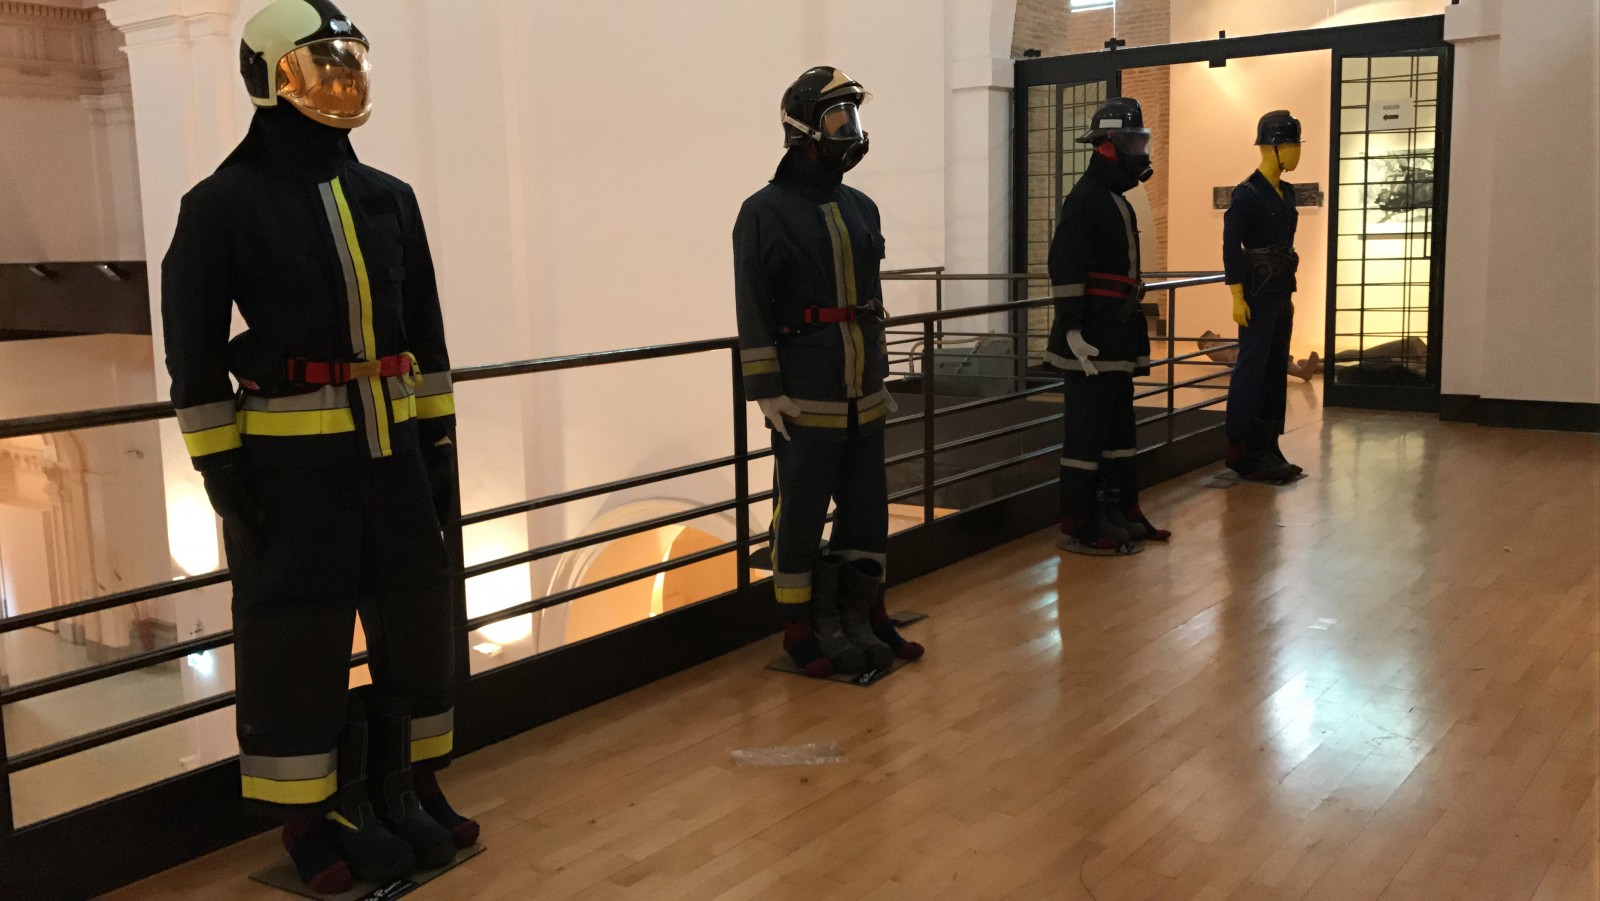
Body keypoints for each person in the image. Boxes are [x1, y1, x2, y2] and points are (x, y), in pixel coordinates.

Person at [163, 0, 474, 890]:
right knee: (296, 643)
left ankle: (406, 788)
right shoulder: (218, 205)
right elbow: (191, 353)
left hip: (396, 459)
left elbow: (428, 334)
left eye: (350, 60)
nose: (340, 79)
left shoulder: (391, 199)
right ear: (270, 74)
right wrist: (221, 470)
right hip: (289, 474)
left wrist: (441, 444)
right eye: (318, 62)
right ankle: (312, 817)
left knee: (418, 622)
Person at [733, 67, 924, 677]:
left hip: (863, 394)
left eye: (855, 118)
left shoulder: (861, 207)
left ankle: (864, 617)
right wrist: (766, 392)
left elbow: (869, 302)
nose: (852, 132)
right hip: (806, 397)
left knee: (868, 511)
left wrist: (880, 376)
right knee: (801, 515)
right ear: (804, 131)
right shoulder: (762, 212)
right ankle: (801, 630)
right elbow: (753, 306)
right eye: (839, 120)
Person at [1045, 97, 1171, 556]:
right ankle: (1081, 519)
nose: (1142, 150)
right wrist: (1072, 329)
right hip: (1091, 340)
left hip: (1115, 332)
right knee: (1086, 433)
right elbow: (1065, 267)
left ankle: (1119, 509)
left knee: (1119, 431)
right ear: (1109, 146)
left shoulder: (1114, 198)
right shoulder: (1085, 200)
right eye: (1134, 141)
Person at [1223, 109, 1306, 482]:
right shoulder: (1248, 193)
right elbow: (1230, 246)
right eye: (1290, 144)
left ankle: (1269, 444)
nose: (1296, 152)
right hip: (1256, 292)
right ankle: (1242, 447)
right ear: (1272, 148)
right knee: (1251, 369)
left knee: (1275, 368)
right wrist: (1236, 295)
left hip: (1280, 289)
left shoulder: (1286, 193)